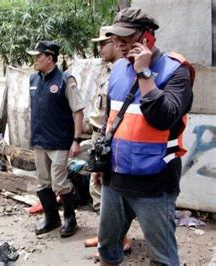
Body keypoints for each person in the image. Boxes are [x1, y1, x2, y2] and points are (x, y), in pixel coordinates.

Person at [97, 7, 194, 266]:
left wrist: (144, 74)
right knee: (107, 246)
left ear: (148, 38)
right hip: (115, 178)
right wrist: (100, 165)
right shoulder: (117, 69)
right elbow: (111, 120)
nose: (119, 43)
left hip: (155, 183)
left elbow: (164, 117)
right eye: (116, 37)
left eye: (126, 38)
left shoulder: (176, 71)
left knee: (162, 256)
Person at [26, 41, 85, 237]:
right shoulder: (33, 79)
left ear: (49, 58)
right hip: (39, 140)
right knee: (43, 182)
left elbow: (78, 111)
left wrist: (76, 140)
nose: (35, 60)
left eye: (38, 56)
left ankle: (70, 219)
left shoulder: (65, 80)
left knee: (59, 182)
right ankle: (52, 218)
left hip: (60, 141)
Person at [83, 25, 132, 258]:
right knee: (97, 185)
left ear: (115, 43)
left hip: (108, 136)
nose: (100, 48)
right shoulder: (108, 70)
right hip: (98, 133)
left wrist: (104, 142)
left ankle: (119, 239)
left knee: (106, 187)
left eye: (104, 43)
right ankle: (107, 237)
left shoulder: (121, 72)